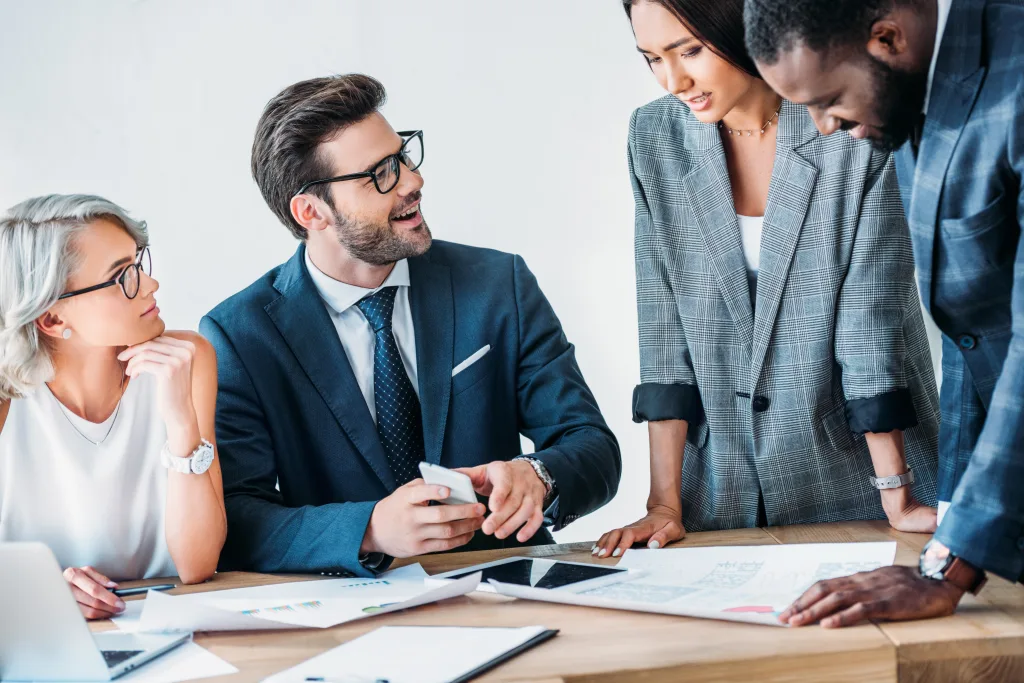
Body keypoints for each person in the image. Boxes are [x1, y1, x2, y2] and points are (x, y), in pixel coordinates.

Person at [201, 74, 621, 578]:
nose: (410, 181)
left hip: (507, 586)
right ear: (311, 211)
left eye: (402, 157)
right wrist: (369, 529)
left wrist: (539, 476)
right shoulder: (240, 335)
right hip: (347, 613)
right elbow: (235, 517)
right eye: (379, 174)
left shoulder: (497, 284)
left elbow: (592, 445)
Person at [594, 0, 941, 559]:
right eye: (652, 58)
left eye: (690, 51)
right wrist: (664, 504)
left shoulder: (848, 116)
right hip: (719, 494)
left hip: (858, 483)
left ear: (741, 29)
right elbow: (663, 329)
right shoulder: (653, 135)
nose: (674, 79)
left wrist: (895, 496)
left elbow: (868, 329)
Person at [744, 0, 1024, 627]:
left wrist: (948, 566)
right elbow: (974, 334)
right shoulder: (906, 89)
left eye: (828, 99)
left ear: (887, 37)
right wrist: (953, 520)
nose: (821, 127)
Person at [0, 195, 226, 620]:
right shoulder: (7, 398)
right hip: (40, 635)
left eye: (138, 264)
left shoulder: (186, 360)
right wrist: (39, 593)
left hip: (170, 624)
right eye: (122, 277)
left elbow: (197, 565)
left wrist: (180, 422)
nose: (150, 285)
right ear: (52, 319)